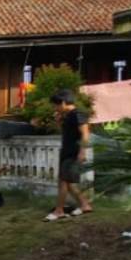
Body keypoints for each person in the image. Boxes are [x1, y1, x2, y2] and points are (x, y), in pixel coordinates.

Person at [46, 89, 94, 222]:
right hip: (67, 151)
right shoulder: (69, 115)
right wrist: (58, 122)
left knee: (63, 181)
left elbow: (85, 134)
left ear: (62, 102)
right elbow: (69, 133)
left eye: (55, 105)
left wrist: (82, 152)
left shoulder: (78, 114)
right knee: (70, 183)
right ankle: (85, 205)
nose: (54, 108)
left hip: (73, 152)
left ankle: (59, 211)